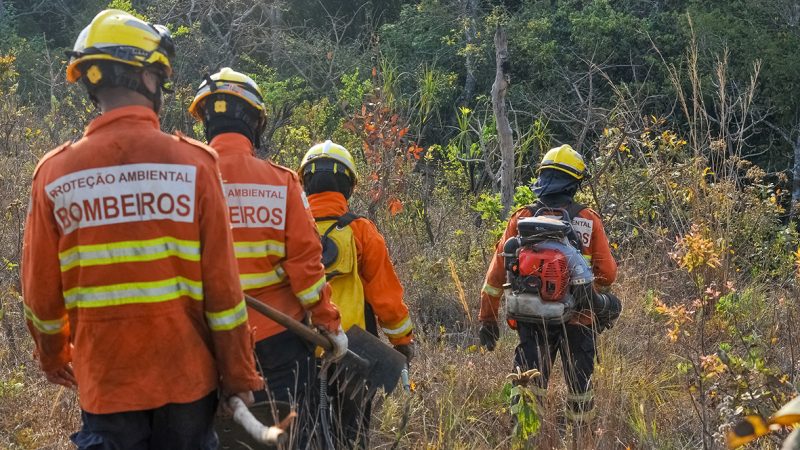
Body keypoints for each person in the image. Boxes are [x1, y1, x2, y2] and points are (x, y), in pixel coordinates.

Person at [22, 10, 263, 450]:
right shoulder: (195, 165)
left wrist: (54, 356)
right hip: (187, 381)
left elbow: (40, 297)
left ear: (92, 82)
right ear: (148, 78)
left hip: (106, 382)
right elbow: (224, 294)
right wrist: (239, 375)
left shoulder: (53, 174)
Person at [188, 67, 347, 446]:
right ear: (255, 122)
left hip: (204, 343)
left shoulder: (183, 180)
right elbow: (307, 269)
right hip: (279, 343)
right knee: (292, 436)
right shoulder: (281, 182)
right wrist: (330, 326)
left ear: (205, 121)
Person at [478, 144, 619, 448]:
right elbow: (607, 274)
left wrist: (487, 319)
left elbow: (495, 277)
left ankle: (522, 441)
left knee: (528, 386)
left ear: (542, 178)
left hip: (532, 317)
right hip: (580, 320)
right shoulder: (588, 220)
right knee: (580, 387)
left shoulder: (522, 218)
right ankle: (580, 440)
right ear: (574, 183)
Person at [299, 141, 415, 448]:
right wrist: (402, 343)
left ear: (305, 182)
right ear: (348, 185)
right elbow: (386, 298)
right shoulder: (361, 231)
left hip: (300, 351)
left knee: (305, 434)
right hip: (356, 354)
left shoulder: (289, 227)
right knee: (351, 436)